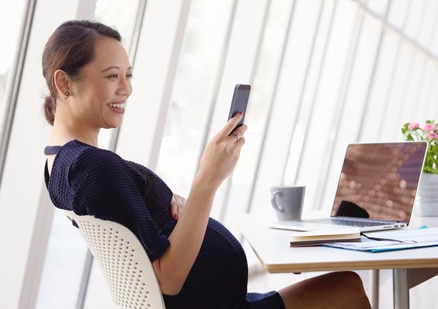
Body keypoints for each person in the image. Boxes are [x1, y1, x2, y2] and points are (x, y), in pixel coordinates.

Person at [42, 20, 371, 309]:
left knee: (344, 285)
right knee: (346, 287)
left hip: (220, 300)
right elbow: (168, 279)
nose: (126, 89)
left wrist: (170, 203)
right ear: (64, 83)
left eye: (127, 75)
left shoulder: (62, 163)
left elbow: (135, 226)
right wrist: (207, 180)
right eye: (112, 76)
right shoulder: (91, 167)